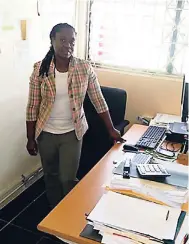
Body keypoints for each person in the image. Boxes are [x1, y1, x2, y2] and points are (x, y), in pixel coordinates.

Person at [26, 23, 124, 208]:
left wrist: (111, 129)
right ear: (52, 40)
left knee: (68, 178)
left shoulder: (84, 68)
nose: (68, 45)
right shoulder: (40, 69)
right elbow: (32, 106)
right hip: (46, 133)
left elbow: (98, 101)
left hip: (73, 132)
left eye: (71, 41)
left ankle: (69, 210)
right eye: (62, 40)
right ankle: (55, 211)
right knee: (51, 176)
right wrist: (30, 138)